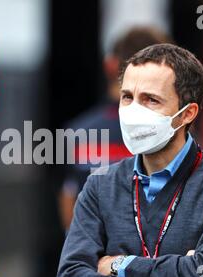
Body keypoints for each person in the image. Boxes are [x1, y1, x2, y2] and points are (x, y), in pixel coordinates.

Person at [57, 43, 203, 277]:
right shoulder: (99, 185)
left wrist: (119, 265)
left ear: (187, 114)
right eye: (127, 97)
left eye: (151, 100)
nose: (133, 111)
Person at [58, 27, 171, 231]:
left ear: (109, 65)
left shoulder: (77, 133)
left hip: (92, 257)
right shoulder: (176, 133)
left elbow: (70, 207)